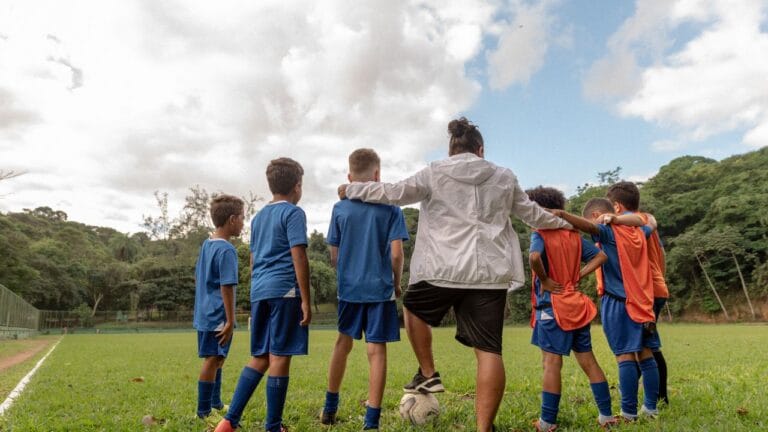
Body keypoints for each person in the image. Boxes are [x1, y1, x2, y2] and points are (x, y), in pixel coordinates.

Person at [338, 117, 571, 432]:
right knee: (489, 350)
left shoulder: (435, 171)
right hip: (489, 274)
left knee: (412, 308)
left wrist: (350, 188)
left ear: (451, 150)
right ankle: (483, 427)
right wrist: (568, 223)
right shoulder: (504, 176)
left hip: (441, 270)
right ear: (481, 149)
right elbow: (532, 214)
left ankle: (429, 371)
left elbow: (392, 192)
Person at [216, 158, 312, 432]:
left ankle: (229, 421)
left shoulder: (258, 218)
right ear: (297, 186)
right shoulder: (294, 214)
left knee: (261, 355)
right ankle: (273, 427)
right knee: (280, 355)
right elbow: (299, 256)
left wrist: (257, 289)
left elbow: (253, 260)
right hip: (285, 291)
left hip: (260, 291)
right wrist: (305, 299)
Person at [321, 149, 409, 430]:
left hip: (349, 289)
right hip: (380, 289)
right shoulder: (392, 208)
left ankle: (329, 408)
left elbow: (333, 254)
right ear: (377, 175)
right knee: (376, 351)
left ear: (349, 177)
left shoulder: (340, 208)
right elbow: (397, 255)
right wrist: (395, 282)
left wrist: (347, 272)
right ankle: (371, 421)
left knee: (342, 344)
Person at [551, 198, 661, 421]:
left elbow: (591, 227)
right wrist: (621, 218)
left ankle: (628, 413)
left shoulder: (609, 232)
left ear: (597, 215)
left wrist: (562, 215)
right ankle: (651, 408)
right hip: (643, 302)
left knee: (625, 356)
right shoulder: (638, 233)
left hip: (619, 302)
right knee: (646, 354)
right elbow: (651, 221)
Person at [525, 187, 617, 431]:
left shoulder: (541, 234)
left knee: (551, 364)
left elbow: (534, 258)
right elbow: (600, 257)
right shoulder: (574, 234)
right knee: (589, 361)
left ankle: (547, 421)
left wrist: (544, 280)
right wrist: (578, 275)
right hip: (576, 305)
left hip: (553, 307)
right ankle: (606, 416)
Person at [606, 181, 670, 405]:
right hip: (654, 287)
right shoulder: (645, 221)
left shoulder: (636, 222)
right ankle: (650, 396)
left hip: (645, 290)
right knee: (645, 345)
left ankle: (657, 398)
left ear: (616, 206)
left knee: (646, 347)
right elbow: (660, 252)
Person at [193, 194, 245, 420]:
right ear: (232, 219)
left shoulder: (207, 245)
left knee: (218, 358)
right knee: (212, 359)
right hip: (217, 316)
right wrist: (230, 320)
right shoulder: (226, 250)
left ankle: (215, 402)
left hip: (204, 312)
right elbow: (227, 287)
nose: (244, 222)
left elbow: (199, 277)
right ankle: (203, 411)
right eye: (243, 218)